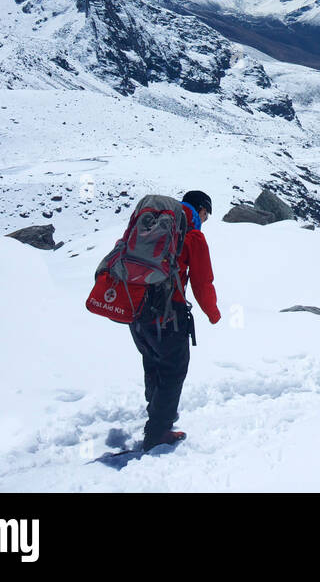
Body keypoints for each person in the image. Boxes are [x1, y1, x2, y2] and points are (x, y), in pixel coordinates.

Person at [130, 190, 221, 451]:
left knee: (153, 361)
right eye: (207, 215)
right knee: (173, 370)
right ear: (201, 209)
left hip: (135, 308)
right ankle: (158, 431)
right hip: (168, 314)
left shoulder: (150, 226)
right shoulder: (193, 236)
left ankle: (158, 413)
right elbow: (203, 283)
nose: (205, 220)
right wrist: (213, 314)